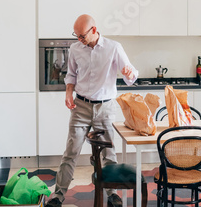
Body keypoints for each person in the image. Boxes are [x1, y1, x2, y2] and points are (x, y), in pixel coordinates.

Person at [46, 14, 138, 207]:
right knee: (71, 151)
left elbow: (131, 74)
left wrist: (130, 73)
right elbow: (70, 75)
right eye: (76, 35)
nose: (79, 39)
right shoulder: (75, 49)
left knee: (108, 153)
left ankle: (112, 193)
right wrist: (68, 94)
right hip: (81, 107)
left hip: (105, 107)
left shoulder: (114, 48)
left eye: (82, 36)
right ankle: (58, 195)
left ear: (94, 30)